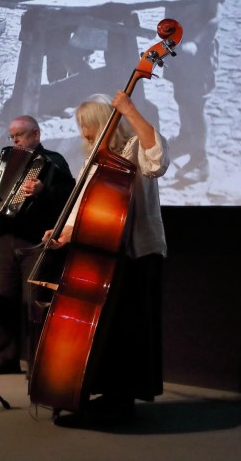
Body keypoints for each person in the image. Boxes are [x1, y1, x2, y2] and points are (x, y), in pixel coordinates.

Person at [44, 92, 169, 421]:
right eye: (81, 127)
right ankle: (105, 393)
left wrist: (129, 109)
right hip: (105, 254)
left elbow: (158, 161)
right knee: (106, 329)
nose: (84, 134)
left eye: (87, 126)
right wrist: (64, 232)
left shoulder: (134, 149)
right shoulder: (94, 161)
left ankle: (121, 399)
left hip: (137, 253)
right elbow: (84, 206)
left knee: (129, 328)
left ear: (104, 123)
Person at [0, 115, 74, 374]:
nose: (15, 141)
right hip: (5, 236)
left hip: (35, 240)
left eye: (19, 135)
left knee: (34, 303)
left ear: (36, 134)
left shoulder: (54, 162)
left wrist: (44, 190)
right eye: (12, 137)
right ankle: (5, 358)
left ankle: (37, 363)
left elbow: (70, 197)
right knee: (4, 298)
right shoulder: (6, 159)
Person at [153, 0, 232, 181]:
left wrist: (196, 44)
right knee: (181, 96)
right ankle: (185, 137)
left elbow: (214, 19)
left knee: (194, 104)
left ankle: (201, 159)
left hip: (197, 55)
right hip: (177, 52)